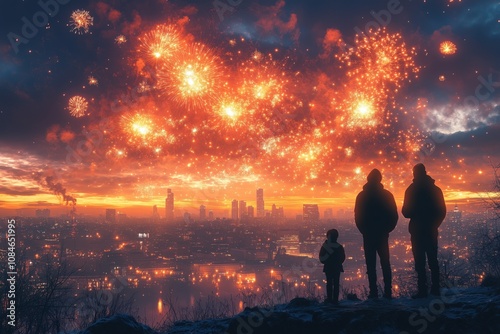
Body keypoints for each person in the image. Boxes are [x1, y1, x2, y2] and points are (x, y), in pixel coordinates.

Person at [402, 163, 446, 298]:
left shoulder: (411, 190)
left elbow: (405, 212)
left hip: (416, 230)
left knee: (419, 262)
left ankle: (422, 290)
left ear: (414, 174)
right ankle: (436, 289)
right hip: (431, 230)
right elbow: (442, 211)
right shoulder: (435, 190)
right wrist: (434, 225)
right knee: (433, 260)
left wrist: (414, 212)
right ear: (425, 172)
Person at [355, 169, 398, 299]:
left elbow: (358, 217)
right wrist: (386, 230)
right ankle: (388, 292)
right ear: (380, 179)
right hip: (382, 234)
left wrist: (364, 230)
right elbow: (393, 216)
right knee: (385, 263)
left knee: (370, 264)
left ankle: (373, 292)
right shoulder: (387, 195)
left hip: (368, 234)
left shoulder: (362, 196)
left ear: (368, 179)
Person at [319, 229, 346, 304]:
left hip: (328, 267)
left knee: (329, 284)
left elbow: (321, 258)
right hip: (336, 267)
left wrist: (328, 260)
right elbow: (342, 258)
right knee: (336, 283)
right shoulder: (339, 247)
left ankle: (330, 299)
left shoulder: (325, 246)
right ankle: (335, 300)